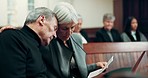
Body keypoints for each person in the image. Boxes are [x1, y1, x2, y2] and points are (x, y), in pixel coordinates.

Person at [40, 2, 107, 78]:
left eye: (72, 27)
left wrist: (95, 66)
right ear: (56, 25)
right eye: (64, 28)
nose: (69, 33)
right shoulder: (47, 42)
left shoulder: (77, 39)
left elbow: (76, 69)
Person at [0, 7, 58, 78]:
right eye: (55, 28)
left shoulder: (38, 46)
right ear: (42, 20)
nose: (55, 35)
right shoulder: (13, 37)